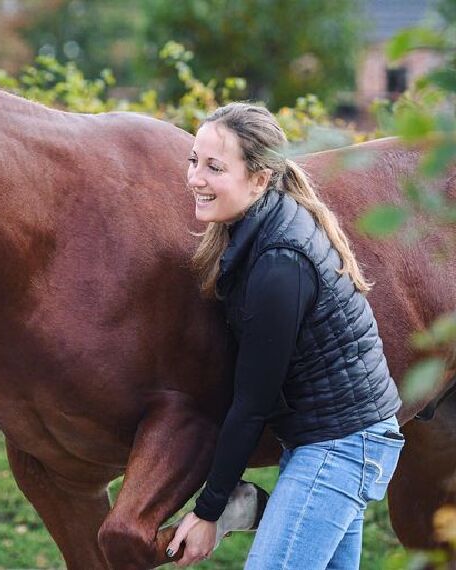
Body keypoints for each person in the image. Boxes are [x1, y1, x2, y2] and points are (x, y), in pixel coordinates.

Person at [165, 102, 404, 569]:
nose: (195, 177)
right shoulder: (256, 228)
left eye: (214, 167)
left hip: (341, 444)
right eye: (194, 160)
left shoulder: (280, 262)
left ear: (259, 179)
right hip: (329, 437)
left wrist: (210, 510)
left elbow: (252, 402)